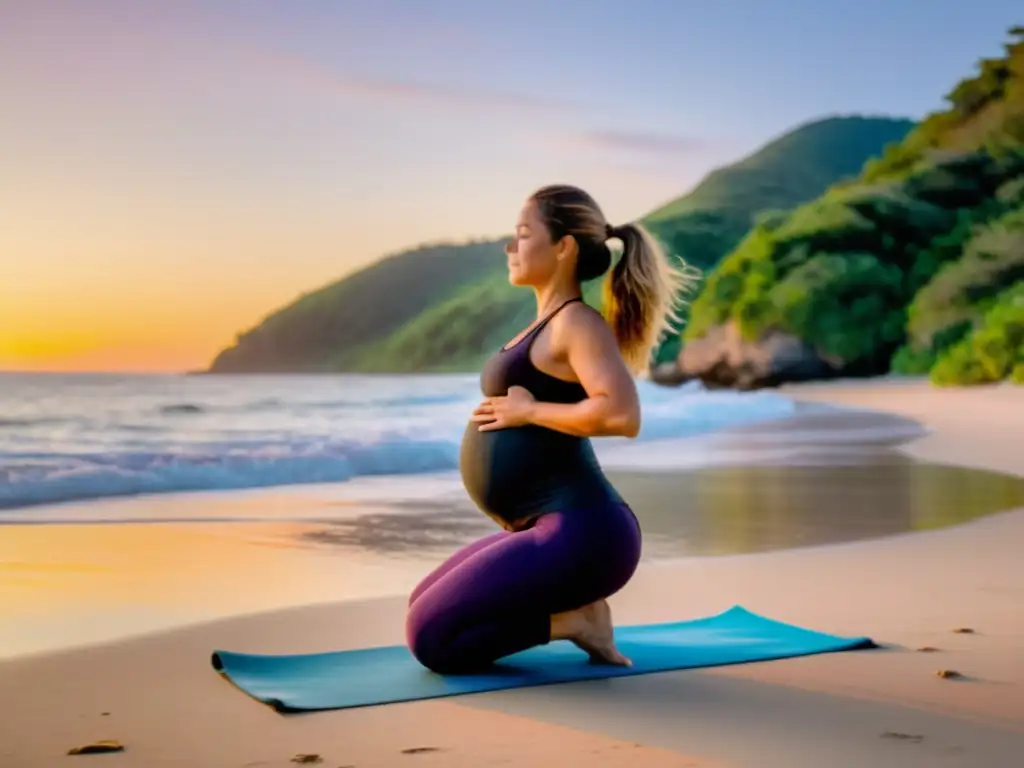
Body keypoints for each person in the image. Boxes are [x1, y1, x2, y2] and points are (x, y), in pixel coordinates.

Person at [405, 183, 695, 674]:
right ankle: (577, 616)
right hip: (545, 526)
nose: (509, 247)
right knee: (421, 605)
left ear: (563, 248)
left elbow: (621, 415)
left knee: (433, 640)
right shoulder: (543, 325)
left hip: (585, 532)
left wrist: (529, 412)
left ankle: (576, 624)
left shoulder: (576, 323)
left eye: (522, 234)